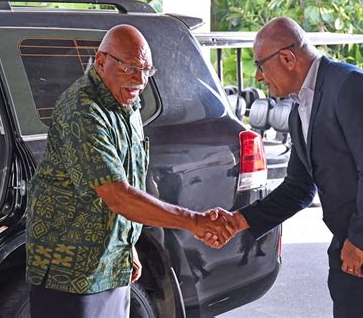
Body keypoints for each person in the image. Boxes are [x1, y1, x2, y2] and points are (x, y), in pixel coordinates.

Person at [201, 17, 363, 318]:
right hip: (351, 243)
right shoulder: (299, 111)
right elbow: (298, 188)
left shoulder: (352, 87)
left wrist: (359, 243)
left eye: (260, 65)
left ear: (287, 58)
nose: (258, 76)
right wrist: (238, 221)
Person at [26, 24, 234, 318]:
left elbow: (128, 183)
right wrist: (195, 222)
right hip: (71, 272)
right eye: (130, 68)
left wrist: (127, 245)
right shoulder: (82, 109)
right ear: (101, 61)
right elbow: (117, 196)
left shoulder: (127, 104)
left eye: (147, 70)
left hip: (112, 262)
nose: (140, 80)